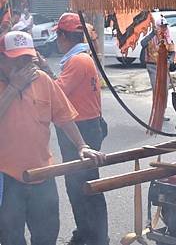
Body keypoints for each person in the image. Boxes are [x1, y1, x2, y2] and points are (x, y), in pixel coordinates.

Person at [0, 31, 105, 245]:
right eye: (16, 60)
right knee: (10, 238)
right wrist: (13, 88)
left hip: (43, 174)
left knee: (47, 235)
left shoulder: (43, 80)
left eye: (27, 59)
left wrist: (81, 145)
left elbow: (63, 117)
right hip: (6, 178)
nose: (23, 65)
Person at [53, 13, 109, 245]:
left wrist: (42, 71)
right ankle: (86, 232)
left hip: (82, 128)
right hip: (86, 125)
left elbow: (55, 94)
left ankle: (95, 237)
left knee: (84, 186)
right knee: (79, 185)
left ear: (63, 36)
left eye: (58, 36)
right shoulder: (80, 58)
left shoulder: (77, 61)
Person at [143, 15, 174, 92]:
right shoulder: (151, 37)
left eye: (165, 27)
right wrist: (152, 34)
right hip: (152, 66)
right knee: (156, 88)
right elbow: (142, 43)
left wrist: (170, 61)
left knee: (164, 89)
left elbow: (172, 52)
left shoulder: (168, 38)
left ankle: (164, 104)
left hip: (164, 66)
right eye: (161, 26)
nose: (163, 28)